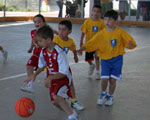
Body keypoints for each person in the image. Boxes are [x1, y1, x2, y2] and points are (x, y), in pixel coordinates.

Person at [78, 10, 137, 106]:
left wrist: (130, 44)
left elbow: (129, 41)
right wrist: (83, 47)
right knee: (104, 79)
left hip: (117, 59)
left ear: (115, 21)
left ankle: (110, 96)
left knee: (112, 80)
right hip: (105, 60)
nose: (107, 22)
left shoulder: (120, 32)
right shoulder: (101, 34)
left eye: (110, 20)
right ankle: (103, 93)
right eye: (105, 19)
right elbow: (92, 42)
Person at [26, 25, 79, 120]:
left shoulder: (59, 52)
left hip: (63, 78)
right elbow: (41, 66)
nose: (38, 43)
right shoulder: (43, 51)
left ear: (49, 40)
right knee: (55, 102)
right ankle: (72, 112)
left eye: (40, 41)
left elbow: (64, 72)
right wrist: (34, 74)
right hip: (53, 78)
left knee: (57, 96)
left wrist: (50, 78)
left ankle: (72, 116)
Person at [20, 14, 58, 93]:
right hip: (36, 53)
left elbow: (55, 33)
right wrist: (31, 48)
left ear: (44, 23)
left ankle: (51, 78)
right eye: (35, 22)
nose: (37, 23)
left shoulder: (47, 32)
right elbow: (33, 40)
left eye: (39, 21)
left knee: (49, 68)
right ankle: (30, 85)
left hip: (45, 54)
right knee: (29, 65)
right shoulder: (33, 32)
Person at [53, 20, 84, 111]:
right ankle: (60, 100)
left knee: (70, 83)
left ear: (69, 31)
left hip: (64, 65)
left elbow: (73, 48)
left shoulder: (70, 41)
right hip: (55, 67)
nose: (61, 32)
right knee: (56, 85)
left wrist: (75, 57)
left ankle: (74, 101)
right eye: (59, 29)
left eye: (64, 30)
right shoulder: (55, 40)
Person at [80, 5, 105, 80]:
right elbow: (83, 32)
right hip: (89, 44)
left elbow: (104, 34)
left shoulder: (102, 23)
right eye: (94, 11)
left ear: (100, 13)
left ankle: (97, 72)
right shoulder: (87, 22)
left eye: (98, 12)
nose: (96, 13)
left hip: (98, 44)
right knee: (88, 59)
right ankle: (91, 65)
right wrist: (81, 42)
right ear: (92, 12)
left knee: (97, 57)